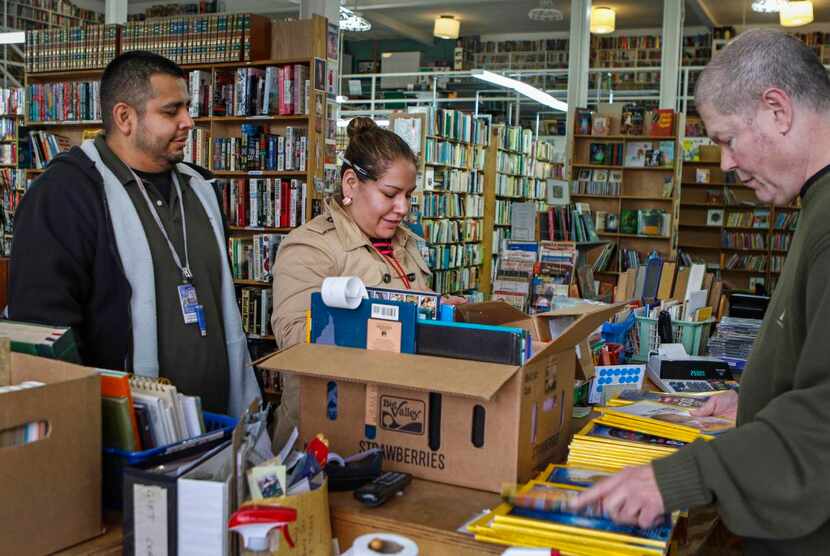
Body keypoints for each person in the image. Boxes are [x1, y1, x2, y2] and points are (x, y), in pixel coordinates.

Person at [571, 29, 830, 554]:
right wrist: (752, 402)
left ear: (777, 109)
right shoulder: (815, 204)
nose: (726, 163)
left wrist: (673, 479)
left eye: (728, 139)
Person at [9, 51, 259, 418]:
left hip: (218, 427)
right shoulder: (65, 194)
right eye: (171, 111)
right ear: (124, 117)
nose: (189, 121)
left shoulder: (200, 187)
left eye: (187, 107)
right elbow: (46, 334)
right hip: (121, 438)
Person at [270, 117, 463, 448]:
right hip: (327, 429)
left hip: (395, 417)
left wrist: (441, 310)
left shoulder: (406, 242)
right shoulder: (310, 246)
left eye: (408, 195)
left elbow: (415, 299)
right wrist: (397, 321)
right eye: (390, 194)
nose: (402, 208)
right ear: (350, 183)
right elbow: (294, 338)